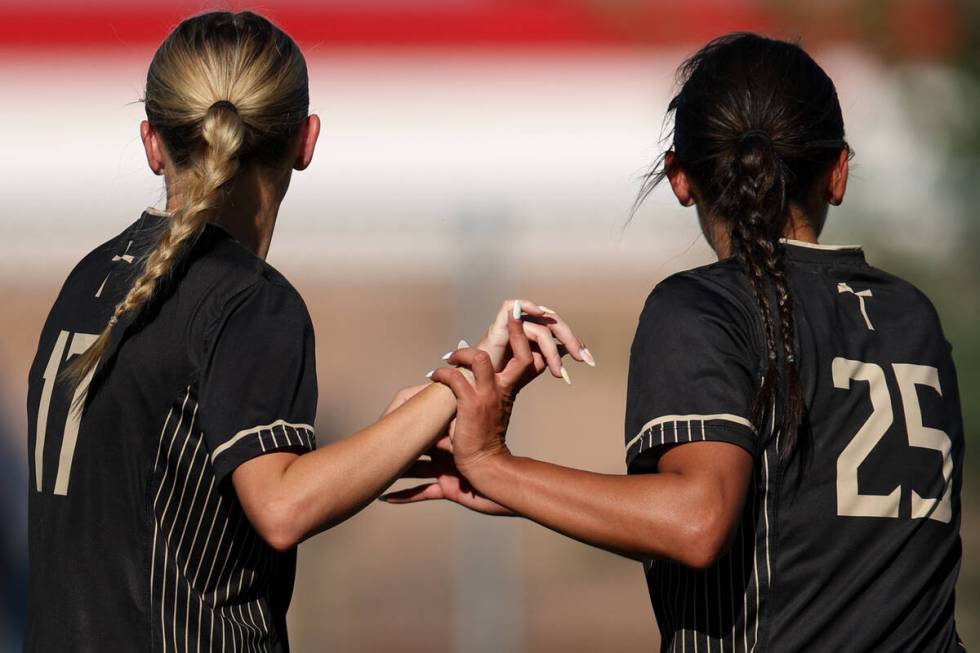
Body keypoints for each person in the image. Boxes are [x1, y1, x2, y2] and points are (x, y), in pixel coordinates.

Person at [24, 11, 588, 652]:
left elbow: (175, 488)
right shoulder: (249, 302)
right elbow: (281, 507)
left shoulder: (87, 281)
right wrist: (453, 390)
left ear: (152, 142)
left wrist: (395, 433)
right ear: (306, 140)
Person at [387, 33, 965, 652]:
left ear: (680, 176)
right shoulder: (912, 317)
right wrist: (524, 488)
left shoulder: (704, 307)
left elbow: (696, 520)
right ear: (838, 171)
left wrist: (494, 466)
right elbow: (805, 520)